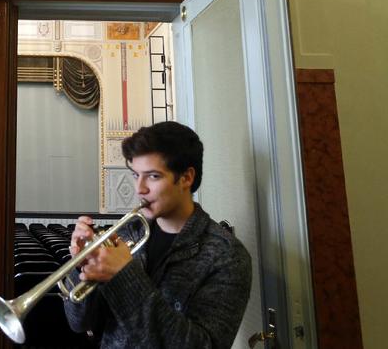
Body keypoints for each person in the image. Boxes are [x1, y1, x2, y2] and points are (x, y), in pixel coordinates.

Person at [64, 121, 252, 348]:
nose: (139, 188)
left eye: (153, 176)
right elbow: (79, 322)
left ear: (186, 178)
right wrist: (80, 267)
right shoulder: (126, 233)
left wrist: (124, 276)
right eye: (135, 175)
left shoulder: (227, 256)